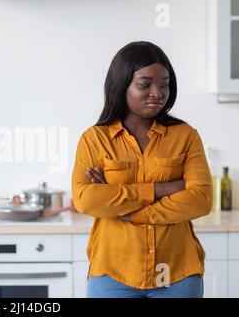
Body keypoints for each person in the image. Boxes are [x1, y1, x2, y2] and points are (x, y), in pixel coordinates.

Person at [71, 41, 212, 298]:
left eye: (165, 83)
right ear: (121, 85)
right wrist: (164, 189)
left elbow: (200, 200)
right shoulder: (94, 139)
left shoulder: (186, 136)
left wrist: (124, 207)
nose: (158, 92)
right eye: (145, 84)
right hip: (113, 275)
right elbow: (86, 199)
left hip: (177, 273)